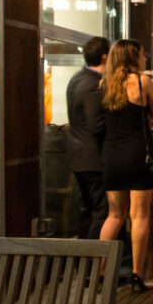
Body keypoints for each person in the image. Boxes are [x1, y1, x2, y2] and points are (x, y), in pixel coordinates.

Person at [98, 39, 153, 292]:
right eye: (142, 54)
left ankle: (101, 271)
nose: (145, 58)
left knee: (114, 215)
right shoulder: (142, 82)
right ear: (133, 57)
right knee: (140, 216)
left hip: (112, 155)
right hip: (138, 155)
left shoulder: (104, 83)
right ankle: (137, 274)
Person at [66, 36, 110, 240]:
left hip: (77, 156)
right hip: (93, 158)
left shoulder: (76, 79)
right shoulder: (93, 84)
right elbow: (96, 124)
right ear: (104, 57)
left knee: (86, 209)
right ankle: (95, 264)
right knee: (101, 212)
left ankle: (81, 260)